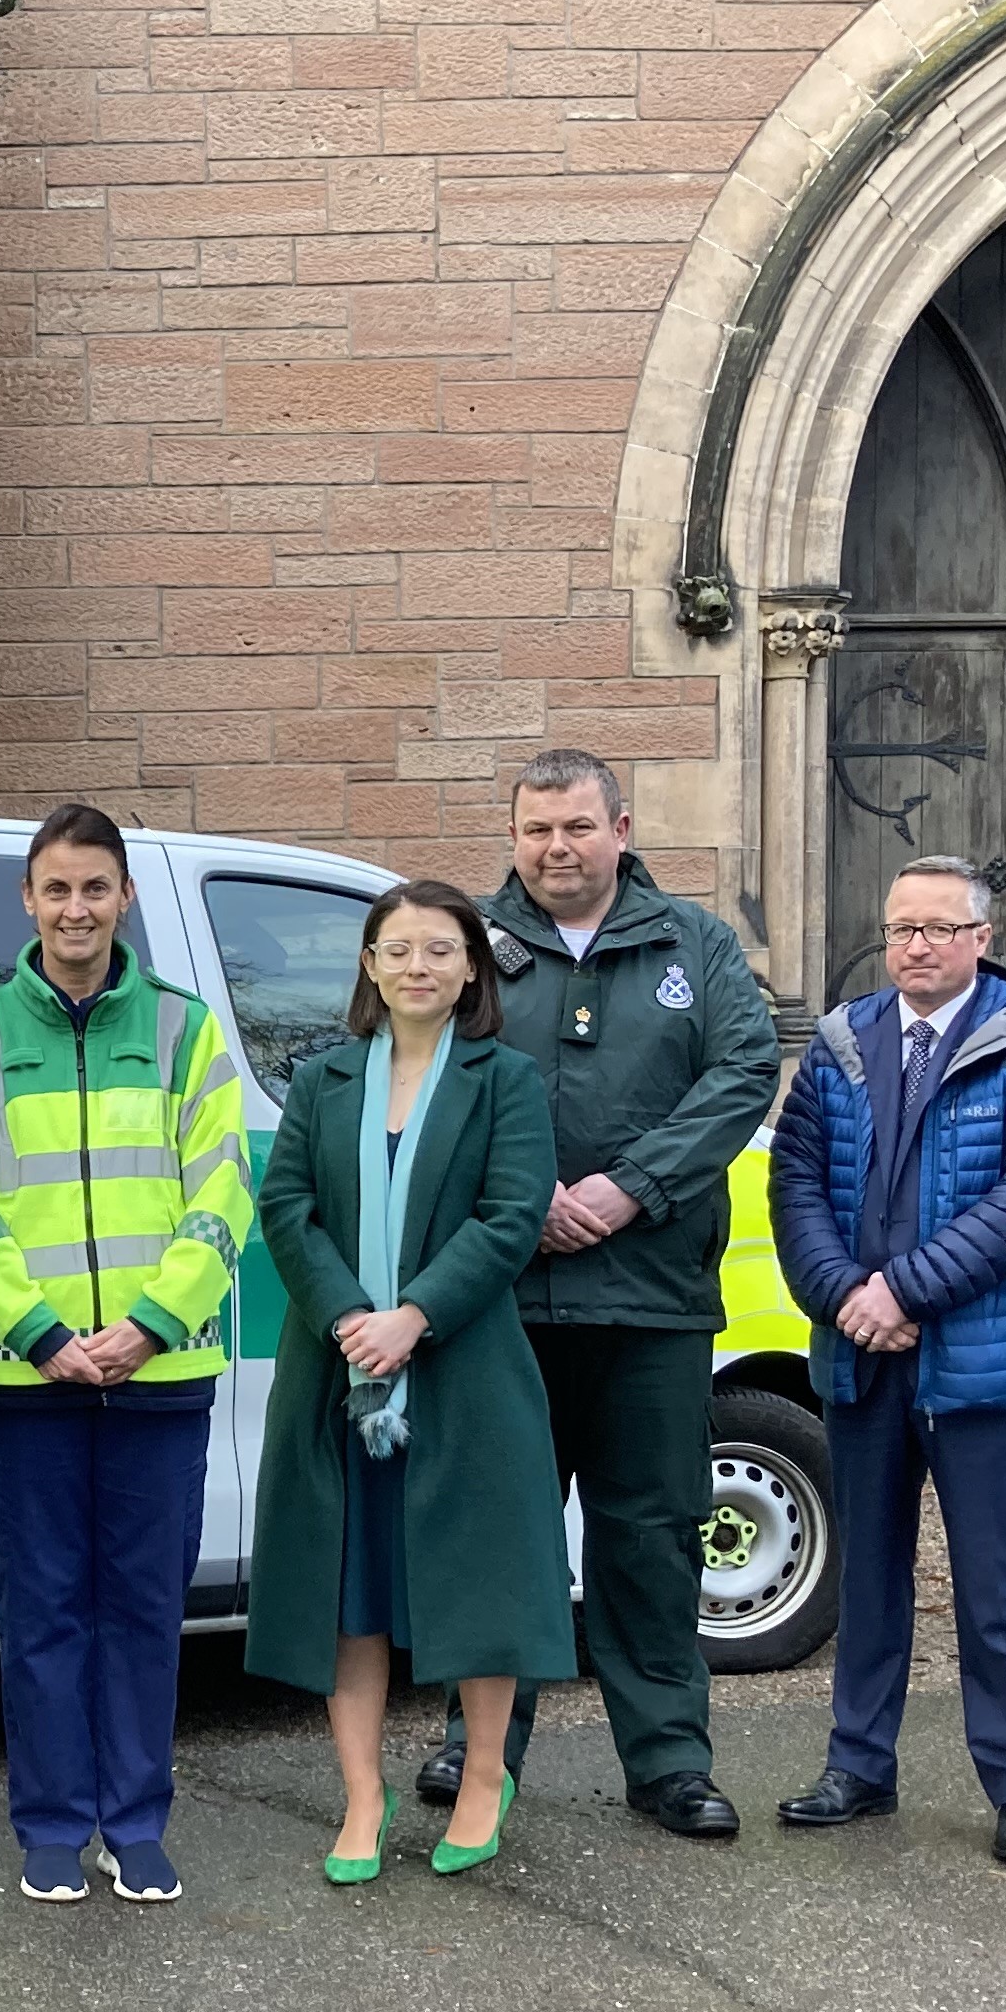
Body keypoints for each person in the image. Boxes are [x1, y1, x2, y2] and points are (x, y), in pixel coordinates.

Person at [418, 748, 779, 1843]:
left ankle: (669, 1761)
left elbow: (742, 1072)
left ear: (621, 829)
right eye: (536, 831)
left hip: (652, 1297)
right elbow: (428, 1078)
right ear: (513, 835)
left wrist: (633, 1189)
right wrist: (522, 1205)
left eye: (578, 827)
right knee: (498, 1533)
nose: (556, 849)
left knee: (650, 1537)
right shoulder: (471, 948)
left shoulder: (698, 946)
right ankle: (479, 1750)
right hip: (504, 1299)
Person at [0, 804, 256, 1907]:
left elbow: (223, 1191)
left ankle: (135, 1821)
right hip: (26, 1375)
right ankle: (53, 1823)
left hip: (159, 1374)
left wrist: (151, 1324)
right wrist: (39, 1334)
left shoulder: (184, 1029)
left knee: (143, 1607)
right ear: (27, 900)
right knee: (42, 1610)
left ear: (123, 898)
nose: (76, 909)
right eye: (57, 889)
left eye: (96, 888)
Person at [769, 854, 1006, 1867]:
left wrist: (904, 1290)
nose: (914, 946)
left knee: (999, 1589)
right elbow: (796, 1186)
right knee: (866, 1578)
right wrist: (845, 1298)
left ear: (980, 942)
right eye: (900, 927)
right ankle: (859, 1767)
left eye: (938, 930)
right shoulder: (838, 1045)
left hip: (986, 1367)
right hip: (863, 1361)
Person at [248, 882, 574, 1880]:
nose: (419, 967)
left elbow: (512, 1216)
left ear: (471, 966)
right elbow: (287, 1208)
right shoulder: (323, 1080)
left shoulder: (505, 1080)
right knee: (352, 1595)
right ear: (369, 965)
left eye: (441, 949)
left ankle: (483, 1779)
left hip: (462, 1371)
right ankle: (361, 1799)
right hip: (337, 1376)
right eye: (398, 950)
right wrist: (351, 1318)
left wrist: (414, 1317)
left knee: (471, 1587)